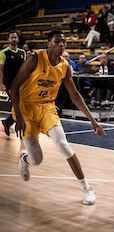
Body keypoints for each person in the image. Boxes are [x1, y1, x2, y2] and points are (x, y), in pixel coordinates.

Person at [10, 30, 105, 205]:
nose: (61, 45)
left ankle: (86, 188)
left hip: (47, 108)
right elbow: (14, 87)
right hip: (26, 107)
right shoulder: (35, 59)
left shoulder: (64, 67)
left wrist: (93, 120)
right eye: (57, 42)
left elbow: (75, 95)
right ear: (49, 44)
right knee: (36, 160)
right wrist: (19, 117)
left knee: (63, 145)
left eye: (64, 42)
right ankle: (25, 159)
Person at [0, 30, 26, 136]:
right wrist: (1, 84)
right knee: (17, 106)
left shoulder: (22, 52)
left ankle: (7, 122)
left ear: (18, 39)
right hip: (10, 84)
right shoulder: (3, 53)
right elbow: (0, 70)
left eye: (15, 37)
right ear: (8, 39)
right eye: (11, 37)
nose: (13, 39)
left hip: (21, 84)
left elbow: (24, 69)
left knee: (21, 106)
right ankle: (13, 124)